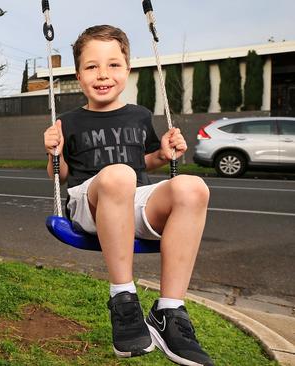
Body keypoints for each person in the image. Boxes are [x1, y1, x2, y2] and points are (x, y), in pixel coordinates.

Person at [43, 25, 213, 366]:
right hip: (88, 205)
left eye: (113, 65)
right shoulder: (68, 121)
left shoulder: (140, 115)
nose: (103, 74)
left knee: (193, 187)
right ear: (78, 74)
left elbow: (143, 161)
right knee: (118, 175)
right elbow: (59, 176)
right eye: (92, 66)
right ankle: (123, 298)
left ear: (128, 69)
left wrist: (163, 155)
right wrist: (53, 153)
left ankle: (170, 312)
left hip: (132, 203)